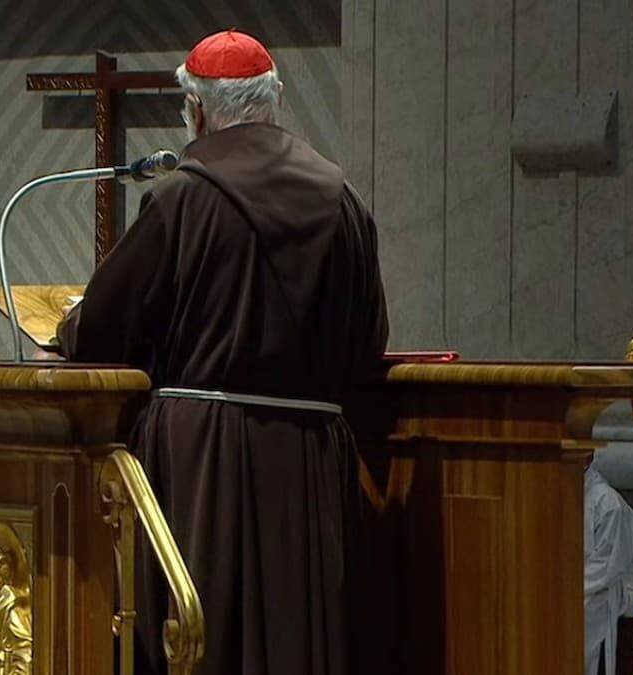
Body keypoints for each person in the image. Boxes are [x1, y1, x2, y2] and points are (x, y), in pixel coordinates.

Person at [56, 29, 388, 675]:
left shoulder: (184, 196)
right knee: (296, 633)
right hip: (310, 456)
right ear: (277, 99)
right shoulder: (343, 200)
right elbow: (367, 341)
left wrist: (68, 326)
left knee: (197, 628)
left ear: (197, 109)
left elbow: (101, 332)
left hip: (199, 454)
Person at [584, 458, 633, 675]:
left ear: (587, 457)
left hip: (593, 601)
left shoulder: (606, 502)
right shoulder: (554, 490)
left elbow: (607, 565)